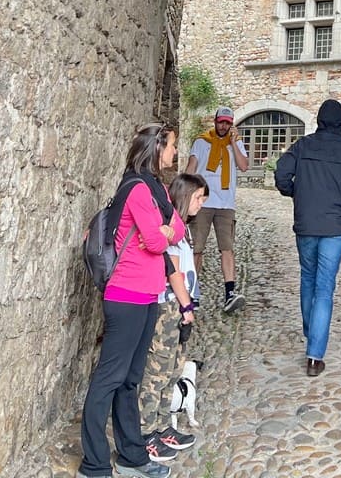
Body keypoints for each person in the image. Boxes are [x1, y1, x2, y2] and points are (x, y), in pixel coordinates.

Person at [78, 123, 186, 478]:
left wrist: (163, 231)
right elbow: (155, 242)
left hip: (147, 295)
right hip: (126, 297)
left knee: (130, 379)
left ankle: (131, 458)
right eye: (171, 146)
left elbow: (178, 228)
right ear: (156, 148)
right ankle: (94, 463)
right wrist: (160, 234)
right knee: (109, 378)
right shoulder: (138, 189)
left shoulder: (158, 190)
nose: (174, 152)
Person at [275, 98, 341, 377]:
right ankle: (315, 355)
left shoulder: (303, 146)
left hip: (306, 222)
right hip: (335, 227)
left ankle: (311, 331)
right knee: (325, 287)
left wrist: (296, 193)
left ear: (318, 121)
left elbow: (281, 173)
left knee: (308, 277)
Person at [139, 173, 209, 462]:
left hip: (177, 308)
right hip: (168, 307)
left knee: (173, 370)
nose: (201, 203)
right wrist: (186, 306)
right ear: (184, 196)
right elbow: (174, 273)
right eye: (198, 197)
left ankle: (162, 426)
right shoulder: (171, 231)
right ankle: (146, 432)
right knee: (157, 371)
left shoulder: (184, 229)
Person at [186, 106, 248, 312]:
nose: (223, 126)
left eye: (227, 123)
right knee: (196, 248)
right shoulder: (201, 142)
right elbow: (191, 168)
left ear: (232, 124)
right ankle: (191, 292)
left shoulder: (236, 142)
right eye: (221, 122)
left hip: (225, 204)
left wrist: (234, 143)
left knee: (227, 248)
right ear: (215, 121)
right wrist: (185, 195)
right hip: (202, 202)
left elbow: (244, 166)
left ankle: (230, 293)